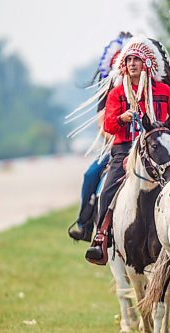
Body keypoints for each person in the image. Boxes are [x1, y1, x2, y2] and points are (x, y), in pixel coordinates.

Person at [85, 35, 170, 262]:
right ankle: (101, 237)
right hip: (124, 150)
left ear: (146, 63)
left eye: (136, 60)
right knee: (107, 189)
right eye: (128, 60)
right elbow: (108, 126)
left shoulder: (162, 91)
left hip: (158, 149)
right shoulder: (117, 93)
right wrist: (122, 118)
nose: (131, 64)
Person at [68, 32, 132, 242]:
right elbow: (102, 125)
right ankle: (85, 224)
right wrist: (116, 139)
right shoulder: (109, 93)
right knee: (91, 174)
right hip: (119, 146)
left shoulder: (148, 87)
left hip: (147, 144)